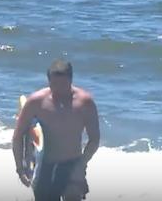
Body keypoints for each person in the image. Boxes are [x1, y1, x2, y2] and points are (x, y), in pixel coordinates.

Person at [13, 59, 100, 201]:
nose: (58, 89)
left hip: (72, 164)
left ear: (71, 80)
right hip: (44, 166)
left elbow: (94, 139)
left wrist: (82, 164)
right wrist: (20, 169)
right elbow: (18, 136)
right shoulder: (36, 102)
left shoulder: (85, 103)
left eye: (63, 84)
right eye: (54, 84)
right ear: (48, 81)